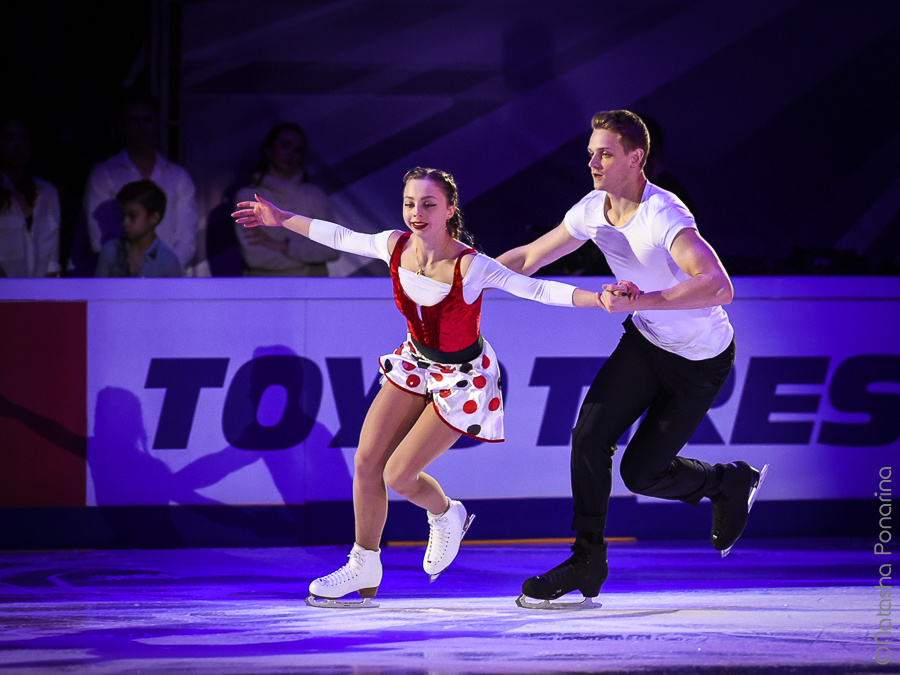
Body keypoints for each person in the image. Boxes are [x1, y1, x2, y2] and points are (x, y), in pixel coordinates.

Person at [233, 167, 612, 607]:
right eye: (410, 203)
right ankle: (363, 564)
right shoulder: (393, 245)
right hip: (416, 361)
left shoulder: (470, 266)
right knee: (367, 461)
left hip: (462, 378)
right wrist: (282, 219)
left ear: (450, 209)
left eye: (429, 204)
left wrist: (597, 298)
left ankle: (446, 513)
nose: (417, 213)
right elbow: (338, 236)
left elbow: (538, 290)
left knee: (399, 474)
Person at [497, 110, 768, 609]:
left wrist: (639, 299)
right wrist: (471, 277)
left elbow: (717, 286)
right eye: (590, 154)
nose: (593, 162)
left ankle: (726, 481)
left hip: (700, 360)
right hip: (646, 343)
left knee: (642, 474)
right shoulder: (591, 209)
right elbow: (531, 256)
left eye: (605, 153)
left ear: (636, 157)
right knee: (589, 436)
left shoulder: (664, 215)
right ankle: (587, 561)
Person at [83, 88, 198, 274]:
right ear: (123, 126)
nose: (141, 127)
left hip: (166, 280)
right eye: (134, 121)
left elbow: (187, 238)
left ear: (157, 123)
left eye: (147, 120)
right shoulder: (104, 173)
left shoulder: (178, 177)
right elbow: (100, 236)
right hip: (118, 276)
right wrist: (126, 268)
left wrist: (162, 269)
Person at [234, 122, 339, 276]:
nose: (291, 154)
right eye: (285, 146)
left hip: (312, 289)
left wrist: (281, 245)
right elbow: (254, 257)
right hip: (265, 289)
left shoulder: (315, 195)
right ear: (269, 149)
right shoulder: (248, 197)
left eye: (298, 150)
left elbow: (331, 249)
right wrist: (307, 258)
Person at [0, 116, 62, 278]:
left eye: (24, 138)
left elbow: (52, 257)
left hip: (40, 295)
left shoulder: (47, 192)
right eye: (9, 139)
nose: (18, 146)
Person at [96, 179, 181, 277]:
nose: (125, 223)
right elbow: (99, 290)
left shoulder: (168, 262)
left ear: (154, 218)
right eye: (123, 216)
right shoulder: (110, 251)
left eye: (132, 216)